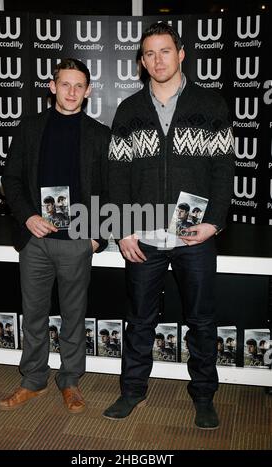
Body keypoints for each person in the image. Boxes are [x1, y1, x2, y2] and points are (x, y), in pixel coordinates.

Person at [104, 22, 235, 429]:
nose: (157, 60)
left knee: (201, 319)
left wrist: (214, 222)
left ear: (181, 54)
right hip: (143, 233)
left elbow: (223, 169)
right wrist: (123, 229)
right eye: (149, 54)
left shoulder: (211, 105)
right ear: (141, 62)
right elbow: (116, 176)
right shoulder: (129, 110)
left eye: (164, 51)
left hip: (194, 234)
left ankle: (203, 397)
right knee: (140, 318)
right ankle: (132, 392)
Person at [1, 58, 110, 413]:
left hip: (77, 242)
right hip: (35, 241)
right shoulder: (30, 128)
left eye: (79, 85)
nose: (72, 92)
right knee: (33, 315)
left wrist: (97, 239)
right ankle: (33, 380)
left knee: (74, 316)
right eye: (65, 84)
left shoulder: (98, 135)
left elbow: (110, 191)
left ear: (89, 90)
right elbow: (11, 180)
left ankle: (71, 381)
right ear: (52, 86)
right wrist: (28, 216)